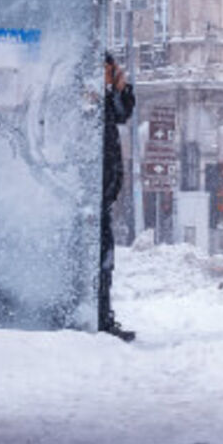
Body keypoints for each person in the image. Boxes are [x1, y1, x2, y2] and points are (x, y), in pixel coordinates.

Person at [99, 53, 136, 340]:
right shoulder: (88, 101)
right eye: (109, 71)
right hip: (90, 194)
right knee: (101, 259)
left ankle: (103, 316)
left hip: (101, 195)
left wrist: (121, 90)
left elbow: (124, 113)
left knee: (105, 261)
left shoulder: (104, 100)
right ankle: (99, 318)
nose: (113, 76)